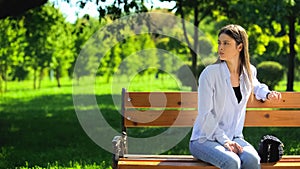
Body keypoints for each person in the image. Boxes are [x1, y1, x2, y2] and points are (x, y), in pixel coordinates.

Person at [189, 24, 282, 169]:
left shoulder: (249, 71)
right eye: (219, 42)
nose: (221, 47)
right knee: (232, 162)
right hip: (204, 139)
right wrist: (225, 141)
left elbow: (256, 86)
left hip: (235, 137)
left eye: (226, 43)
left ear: (240, 47)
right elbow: (205, 114)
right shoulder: (210, 74)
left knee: (252, 160)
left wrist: (268, 94)